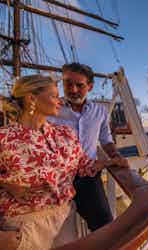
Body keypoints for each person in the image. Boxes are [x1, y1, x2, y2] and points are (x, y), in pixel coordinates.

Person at [0, 74, 126, 250]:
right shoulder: (4, 138)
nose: (59, 100)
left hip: (64, 221)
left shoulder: (65, 133)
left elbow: (83, 166)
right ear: (31, 99)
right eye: (53, 95)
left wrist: (110, 162)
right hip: (25, 227)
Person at [48, 63, 126, 231]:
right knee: (53, 231)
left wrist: (115, 155)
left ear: (90, 86)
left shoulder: (100, 111)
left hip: (88, 177)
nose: (73, 89)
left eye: (80, 85)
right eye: (68, 83)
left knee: (104, 225)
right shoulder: (51, 109)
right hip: (54, 179)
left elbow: (105, 140)